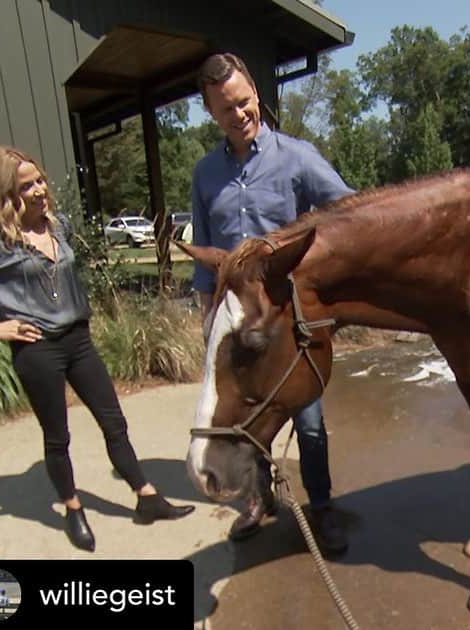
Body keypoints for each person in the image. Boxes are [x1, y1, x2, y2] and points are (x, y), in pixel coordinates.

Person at [0, 146, 195, 552]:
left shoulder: (58, 224)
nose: (40, 190)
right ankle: (72, 508)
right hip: (37, 350)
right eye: (27, 185)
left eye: (40, 180)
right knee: (58, 436)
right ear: (5, 193)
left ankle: (146, 497)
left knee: (114, 421)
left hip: (79, 340)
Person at [192, 53, 354, 553]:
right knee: (245, 412)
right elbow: (203, 247)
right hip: (237, 319)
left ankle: (322, 508)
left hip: (285, 320)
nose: (239, 114)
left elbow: (349, 213)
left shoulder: (297, 157)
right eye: (225, 109)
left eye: (243, 102)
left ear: (255, 94)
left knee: (307, 420)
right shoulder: (205, 174)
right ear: (212, 114)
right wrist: (206, 316)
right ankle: (259, 501)